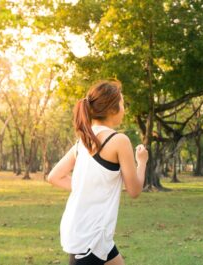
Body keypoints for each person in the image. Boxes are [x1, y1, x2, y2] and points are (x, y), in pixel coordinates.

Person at [47, 80, 148, 265]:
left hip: (89, 232)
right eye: (122, 104)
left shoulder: (83, 141)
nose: (124, 109)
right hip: (89, 238)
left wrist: (86, 189)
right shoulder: (119, 141)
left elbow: (54, 176)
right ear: (112, 108)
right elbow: (134, 190)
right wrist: (142, 162)